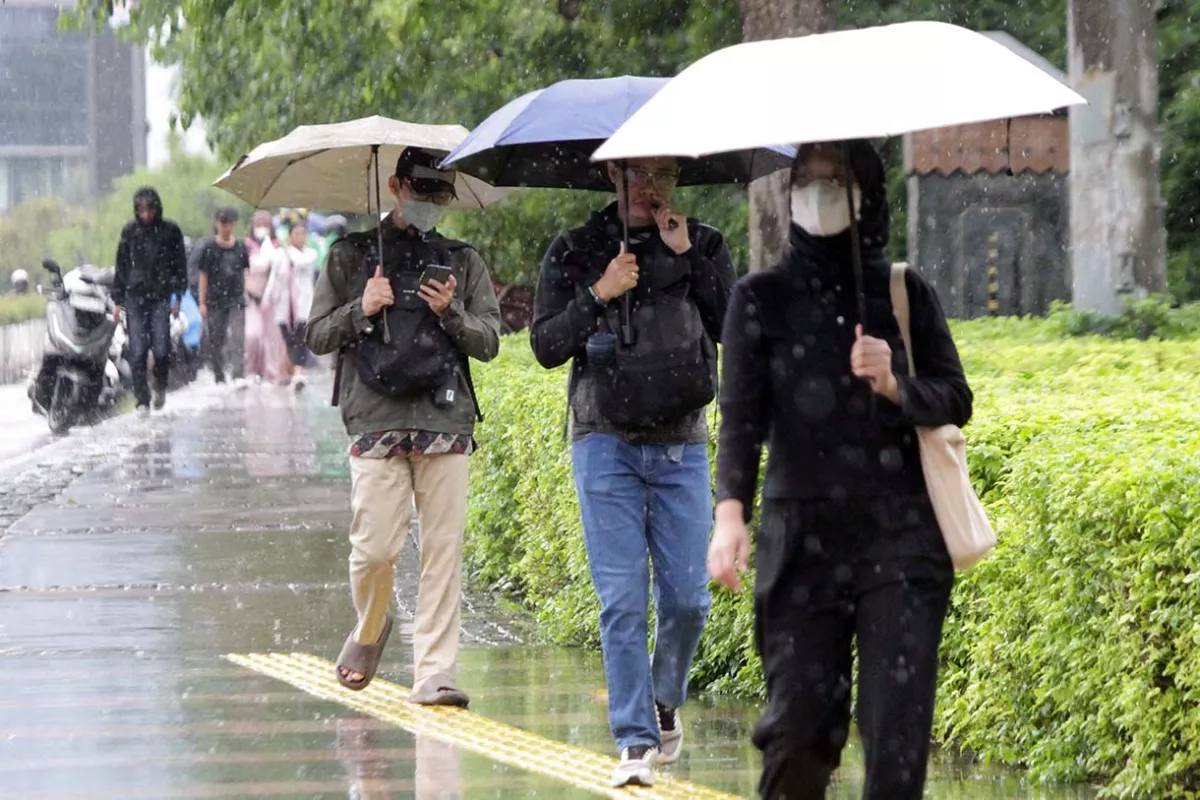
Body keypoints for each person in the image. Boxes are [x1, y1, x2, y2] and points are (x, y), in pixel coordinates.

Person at [707, 141, 973, 800]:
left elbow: (955, 398)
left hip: (903, 543)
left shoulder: (902, 292)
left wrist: (894, 385)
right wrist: (730, 514)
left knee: (896, 738)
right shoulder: (758, 298)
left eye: (835, 179)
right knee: (797, 731)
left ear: (865, 192)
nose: (818, 192)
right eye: (805, 179)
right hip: (802, 544)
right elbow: (740, 419)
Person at [530, 157, 736, 787]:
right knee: (622, 601)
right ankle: (635, 741)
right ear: (613, 174)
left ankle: (664, 698)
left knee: (687, 600)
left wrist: (688, 258)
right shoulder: (575, 248)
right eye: (641, 173)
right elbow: (544, 345)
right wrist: (600, 292)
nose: (653, 187)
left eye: (666, 174)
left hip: (681, 442)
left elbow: (733, 327)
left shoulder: (703, 242)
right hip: (604, 440)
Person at [307, 148, 501, 706]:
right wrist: (360, 308)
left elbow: (489, 341)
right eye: (423, 192)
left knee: (443, 550)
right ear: (395, 186)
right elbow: (316, 336)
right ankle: (370, 627)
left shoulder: (462, 262)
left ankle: (435, 672)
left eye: (442, 195)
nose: (432, 204)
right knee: (373, 550)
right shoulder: (350, 257)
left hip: (445, 419)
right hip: (375, 419)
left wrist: (452, 314)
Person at [113, 186, 187, 415]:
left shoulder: (170, 231)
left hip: (160, 298)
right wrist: (118, 300)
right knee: (138, 350)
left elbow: (180, 265)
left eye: (149, 209)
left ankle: (161, 386)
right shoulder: (130, 232)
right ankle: (142, 400)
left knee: (162, 348)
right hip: (135, 299)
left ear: (157, 208)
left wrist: (178, 294)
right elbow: (121, 267)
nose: (146, 214)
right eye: (141, 209)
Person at [195, 208, 250, 386]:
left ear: (234, 224)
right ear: (217, 223)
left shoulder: (240, 247)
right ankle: (219, 374)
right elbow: (204, 276)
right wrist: (202, 302)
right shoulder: (209, 248)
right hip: (214, 300)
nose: (225, 227)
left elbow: (245, 272)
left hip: (236, 298)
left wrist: (245, 293)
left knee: (238, 337)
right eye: (222, 223)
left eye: (229, 223)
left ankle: (238, 374)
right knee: (216, 339)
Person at [271, 219, 318, 391]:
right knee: (288, 340)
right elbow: (274, 278)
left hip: (304, 304)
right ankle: (291, 372)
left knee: (301, 339)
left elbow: (302, 262)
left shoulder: (310, 254)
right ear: (290, 236)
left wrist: (286, 252)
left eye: (302, 234)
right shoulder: (280, 255)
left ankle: (299, 372)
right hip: (284, 305)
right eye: (296, 234)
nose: (300, 237)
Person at [243, 211, 289, 385]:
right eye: (258, 223)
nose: (261, 227)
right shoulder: (246, 247)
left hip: (272, 300)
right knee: (252, 336)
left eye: (265, 224)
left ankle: (274, 373)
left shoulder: (277, 248)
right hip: (251, 298)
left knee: (274, 339)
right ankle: (250, 371)